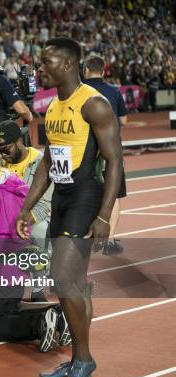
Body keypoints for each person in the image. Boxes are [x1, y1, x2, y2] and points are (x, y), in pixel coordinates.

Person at [16, 38, 122, 377]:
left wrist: (104, 215)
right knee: (70, 284)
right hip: (62, 197)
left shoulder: (93, 104)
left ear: (67, 65)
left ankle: (85, 358)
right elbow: (47, 161)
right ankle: (78, 358)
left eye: (45, 62)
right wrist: (28, 205)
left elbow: (115, 161)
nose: (39, 69)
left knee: (62, 277)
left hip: (85, 198)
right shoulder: (54, 108)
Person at [0, 120, 53, 301]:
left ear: (20, 141)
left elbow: (45, 205)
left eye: (6, 148)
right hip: (1, 219)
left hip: (30, 219)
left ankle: (37, 289)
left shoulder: (40, 162)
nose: (3, 154)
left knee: (39, 230)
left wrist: (22, 222)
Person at [83, 54, 128, 255]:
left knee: (83, 191)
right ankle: (109, 241)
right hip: (111, 149)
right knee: (115, 193)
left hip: (85, 149)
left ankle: (83, 236)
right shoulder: (113, 91)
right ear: (103, 71)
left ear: (85, 70)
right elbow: (124, 121)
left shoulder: (79, 91)